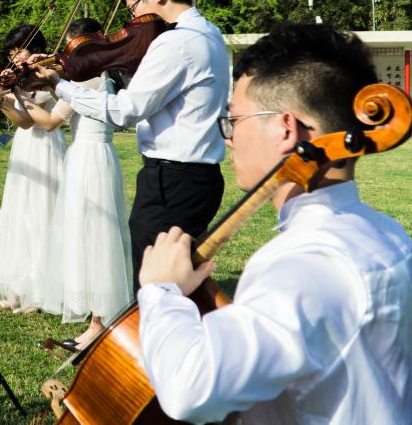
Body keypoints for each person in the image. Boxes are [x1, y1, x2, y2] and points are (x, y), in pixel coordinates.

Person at [137, 23, 412, 423]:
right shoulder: (389, 234)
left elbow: (189, 390)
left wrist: (162, 291)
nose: (228, 138)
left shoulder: (301, 266)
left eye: (234, 120)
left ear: (287, 128)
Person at [31, 0, 229, 289]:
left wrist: (60, 84)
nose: (134, 21)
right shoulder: (211, 33)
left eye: (134, 8)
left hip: (171, 179)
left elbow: (126, 110)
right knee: (183, 282)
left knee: (153, 286)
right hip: (201, 178)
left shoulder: (174, 43)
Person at [36, 18, 132, 347]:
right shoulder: (102, 75)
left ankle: (99, 320)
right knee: (98, 233)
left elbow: (52, 117)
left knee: (93, 234)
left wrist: (46, 84)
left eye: (70, 44)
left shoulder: (88, 79)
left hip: (88, 159)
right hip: (101, 157)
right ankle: (98, 315)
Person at [0, 24, 69, 314]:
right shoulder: (21, 77)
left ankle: (41, 290)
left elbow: (42, 119)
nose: (14, 59)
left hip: (46, 146)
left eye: (17, 51)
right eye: (10, 53)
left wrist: (19, 91)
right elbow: (21, 122)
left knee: (41, 212)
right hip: (25, 144)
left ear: (34, 49)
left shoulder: (49, 71)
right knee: (18, 212)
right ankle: (19, 288)